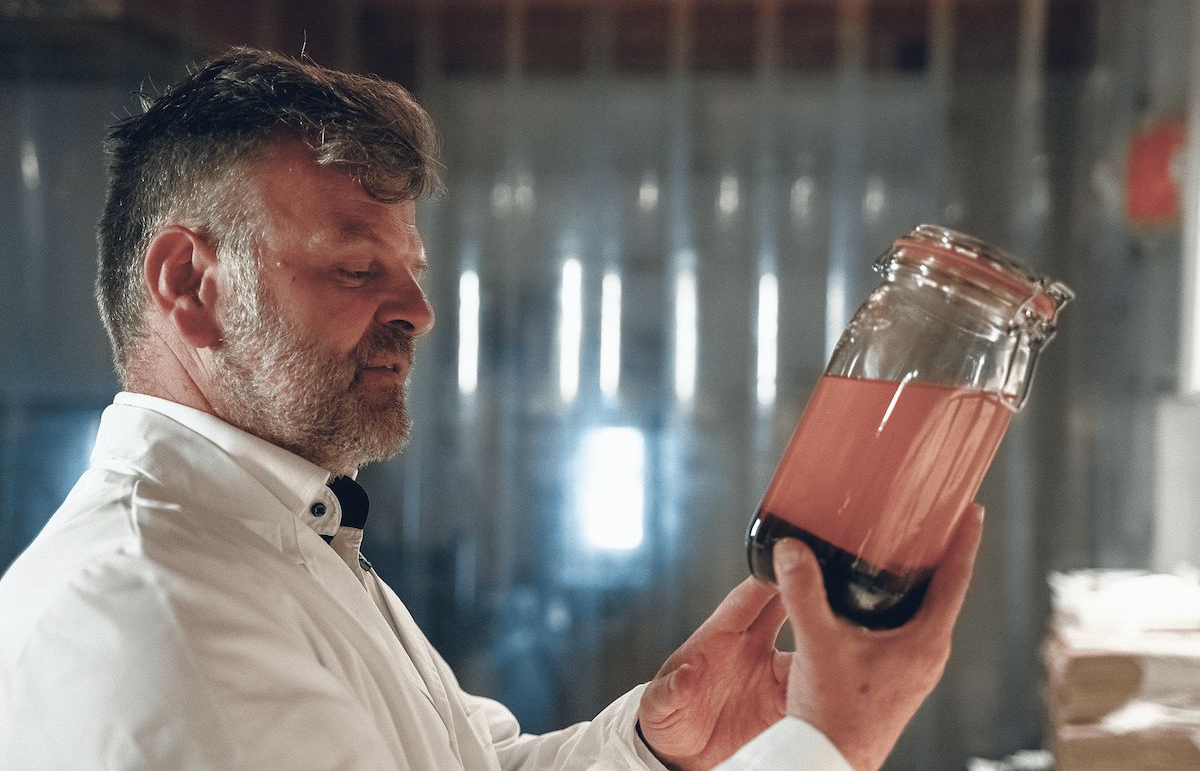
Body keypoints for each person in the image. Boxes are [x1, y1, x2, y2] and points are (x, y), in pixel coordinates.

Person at [0, 47, 983, 770]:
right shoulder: (158, 608)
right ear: (189, 282)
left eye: (409, 271)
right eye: (356, 267)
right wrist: (828, 743)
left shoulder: (274, 535)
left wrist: (653, 743)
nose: (417, 311)